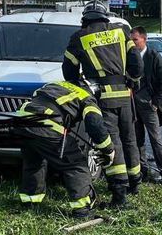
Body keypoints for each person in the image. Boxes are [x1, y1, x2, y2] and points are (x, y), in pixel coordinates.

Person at [62, 0, 142, 207]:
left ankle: (119, 194)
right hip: (125, 95)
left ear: (85, 20)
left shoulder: (79, 38)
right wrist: (133, 77)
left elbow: (69, 71)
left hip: (102, 98)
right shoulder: (122, 31)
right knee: (129, 139)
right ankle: (135, 183)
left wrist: (78, 86)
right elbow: (136, 62)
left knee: (111, 142)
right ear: (105, 17)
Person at [12, 81, 116, 217]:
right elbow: (94, 125)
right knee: (75, 164)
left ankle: (30, 202)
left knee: (34, 162)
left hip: (21, 121)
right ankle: (82, 210)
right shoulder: (87, 98)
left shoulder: (57, 84)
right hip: (46, 124)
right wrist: (108, 149)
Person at [129, 26, 162, 183]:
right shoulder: (128, 57)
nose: (132, 43)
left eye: (135, 40)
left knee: (155, 139)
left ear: (143, 39)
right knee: (136, 138)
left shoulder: (154, 56)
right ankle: (142, 169)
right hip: (133, 105)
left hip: (149, 105)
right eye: (131, 40)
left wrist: (155, 102)